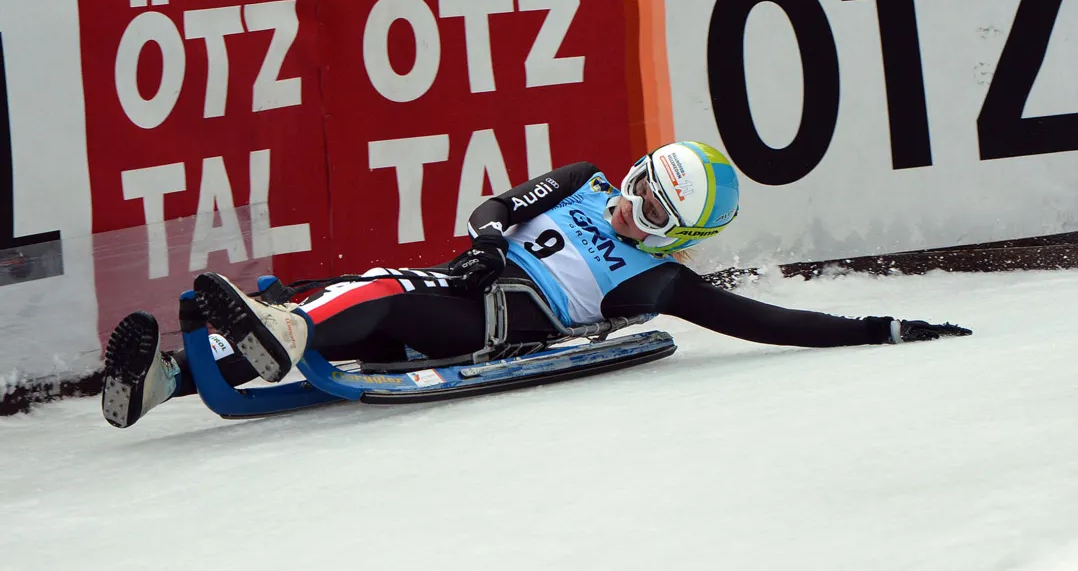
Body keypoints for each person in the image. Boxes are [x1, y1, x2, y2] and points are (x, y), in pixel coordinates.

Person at [101, 141, 971, 429]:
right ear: (631, 170)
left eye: (656, 212)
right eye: (640, 188)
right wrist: (484, 243)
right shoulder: (587, 178)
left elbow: (768, 319)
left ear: (680, 234)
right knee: (358, 298)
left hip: (497, 321)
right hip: (462, 278)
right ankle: (167, 379)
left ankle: (279, 332)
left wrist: (875, 327)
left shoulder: (658, 279)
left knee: (381, 294)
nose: (633, 211)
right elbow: (498, 204)